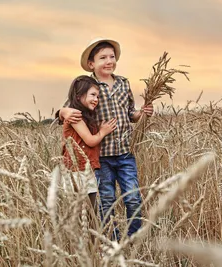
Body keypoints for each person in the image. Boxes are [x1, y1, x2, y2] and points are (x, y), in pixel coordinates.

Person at [57, 38, 154, 240]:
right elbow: (70, 108)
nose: (109, 60)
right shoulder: (88, 86)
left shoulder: (123, 83)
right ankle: (112, 239)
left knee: (133, 197)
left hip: (125, 153)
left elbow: (130, 114)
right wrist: (63, 111)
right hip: (101, 157)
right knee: (106, 200)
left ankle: (134, 238)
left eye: (112, 56)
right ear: (92, 64)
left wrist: (142, 113)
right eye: (103, 58)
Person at [62, 75, 117, 215]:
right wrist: (103, 132)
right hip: (77, 171)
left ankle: (91, 237)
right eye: (92, 95)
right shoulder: (75, 116)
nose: (96, 100)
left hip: (86, 170)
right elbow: (90, 140)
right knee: (82, 215)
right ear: (79, 96)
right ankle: (83, 237)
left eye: (98, 96)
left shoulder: (87, 116)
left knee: (91, 213)